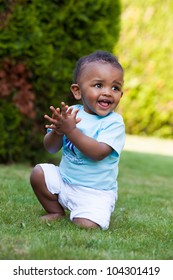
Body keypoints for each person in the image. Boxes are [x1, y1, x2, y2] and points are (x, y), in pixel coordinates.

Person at [30, 50, 125, 230]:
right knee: (38, 173)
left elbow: (98, 153)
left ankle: (86, 213)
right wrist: (58, 132)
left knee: (86, 226)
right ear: (77, 91)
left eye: (115, 87)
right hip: (65, 181)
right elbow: (50, 148)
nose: (108, 92)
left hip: (95, 193)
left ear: (121, 94)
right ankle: (55, 211)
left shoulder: (114, 123)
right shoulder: (71, 113)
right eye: (98, 85)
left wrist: (71, 130)